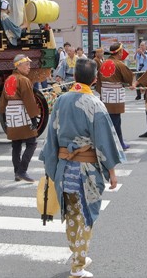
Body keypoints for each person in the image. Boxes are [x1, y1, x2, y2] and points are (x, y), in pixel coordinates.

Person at [39, 59, 125, 278]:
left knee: (71, 214)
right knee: (85, 216)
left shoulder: (60, 100)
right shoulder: (95, 104)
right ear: (94, 79)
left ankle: (78, 255)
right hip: (86, 171)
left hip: (64, 168)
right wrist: (112, 172)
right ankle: (77, 267)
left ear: (74, 77)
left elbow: (51, 136)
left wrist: (50, 165)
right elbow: (104, 141)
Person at [0, 54, 40, 182]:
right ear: (18, 66)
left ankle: (17, 172)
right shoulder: (24, 80)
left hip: (11, 114)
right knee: (32, 142)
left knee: (16, 144)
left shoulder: (9, 79)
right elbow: (29, 100)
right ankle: (22, 170)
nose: (29, 67)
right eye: (27, 64)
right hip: (22, 113)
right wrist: (33, 118)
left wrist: (3, 114)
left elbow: (3, 100)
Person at [97, 42, 134, 150]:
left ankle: (113, 141)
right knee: (116, 120)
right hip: (115, 94)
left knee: (109, 119)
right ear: (120, 52)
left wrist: (102, 91)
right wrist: (130, 83)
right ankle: (118, 142)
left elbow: (98, 81)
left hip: (105, 93)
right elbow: (129, 77)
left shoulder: (103, 63)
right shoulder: (119, 64)